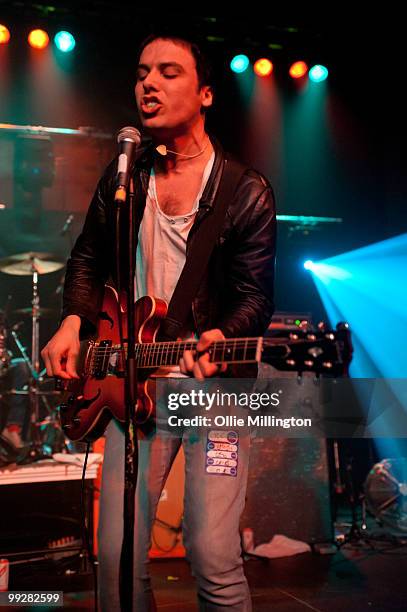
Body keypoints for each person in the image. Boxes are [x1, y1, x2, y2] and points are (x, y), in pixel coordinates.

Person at [41, 33, 276, 611]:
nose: (148, 82)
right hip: (131, 383)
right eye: (143, 71)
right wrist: (73, 321)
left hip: (212, 392)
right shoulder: (126, 176)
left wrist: (221, 335)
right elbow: (88, 258)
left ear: (205, 95)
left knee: (214, 555)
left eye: (168, 72)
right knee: (117, 560)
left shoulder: (245, 193)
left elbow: (253, 296)